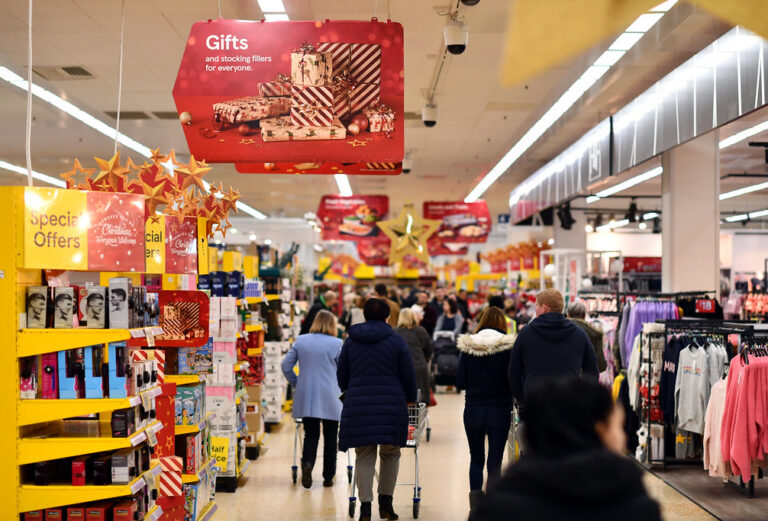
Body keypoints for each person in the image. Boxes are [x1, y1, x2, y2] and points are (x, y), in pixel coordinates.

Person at [469, 378, 662, 521]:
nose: (624, 437)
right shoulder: (637, 507)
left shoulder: (497, 506)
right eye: (618, 426)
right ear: (600, 429)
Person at [338, 298, 418, 521]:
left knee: (364, 453)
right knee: (391, 453)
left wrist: (351, 389)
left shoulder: (351, 341)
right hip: (391, 404)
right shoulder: (396, 340)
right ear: (387, 317)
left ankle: (365, 507)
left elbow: (341, 374)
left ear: (364, 315)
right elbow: (408, 374)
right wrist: (410, 398)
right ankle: (386, 505)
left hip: (359, 404)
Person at [456, 307, 516, 512]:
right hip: (500, 408)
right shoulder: (508, 347)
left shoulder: (468, 346)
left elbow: (460, 381)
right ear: (503, 324)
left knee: (476, 458)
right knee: (495, 460)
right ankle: (493, 507)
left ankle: (475, 508)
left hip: (473, 408)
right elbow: (513, 379)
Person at [280, 310, 343, 488]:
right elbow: (345, 370)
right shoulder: (338, 343)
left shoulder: (302, 341)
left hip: (307, 393)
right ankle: (328, 477)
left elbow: (286, 365)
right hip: (331, 395)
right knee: (331, 437)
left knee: (311, 434)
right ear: (332, 325)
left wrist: (296, 382)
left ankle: (307, 464)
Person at [508, 289, 599, 403]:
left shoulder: (526, 334)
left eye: (536, 306)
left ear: (544, 308)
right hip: (569, 401)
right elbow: (592, 371)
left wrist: (522, 397)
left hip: (535, 402)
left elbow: (514, 371)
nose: (535, 309)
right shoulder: (579, 334)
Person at [394, 308, 434, 404]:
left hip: (399, 368)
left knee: (403, 400)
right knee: (419, 402)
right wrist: (425, 358)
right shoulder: (421, 331)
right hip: (419, 367)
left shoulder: (394, 331)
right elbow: (429, 349)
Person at [566, 301, 608, 372]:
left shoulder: (560, 331)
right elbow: (600, 365)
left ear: (568, 315)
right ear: (584, 316)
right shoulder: (595, 334)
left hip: (565, 378)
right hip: (587, 380)